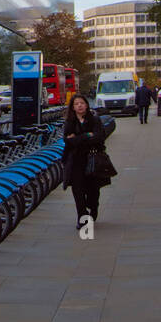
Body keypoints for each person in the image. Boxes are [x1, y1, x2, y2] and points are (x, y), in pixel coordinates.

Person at [63, 93, 107, 229]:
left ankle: (93, 208)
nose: (79, 106)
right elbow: (67, 140)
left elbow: (99, 137)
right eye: (76, 104)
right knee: (78, 191)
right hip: (75, 160)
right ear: (73, 107)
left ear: (86, 105)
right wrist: (87, 135)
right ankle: (82, 218)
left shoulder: (94, 120)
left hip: (92, 158)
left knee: (93, 190)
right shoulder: (70, 122)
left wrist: (78, 138)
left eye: (82, 103)